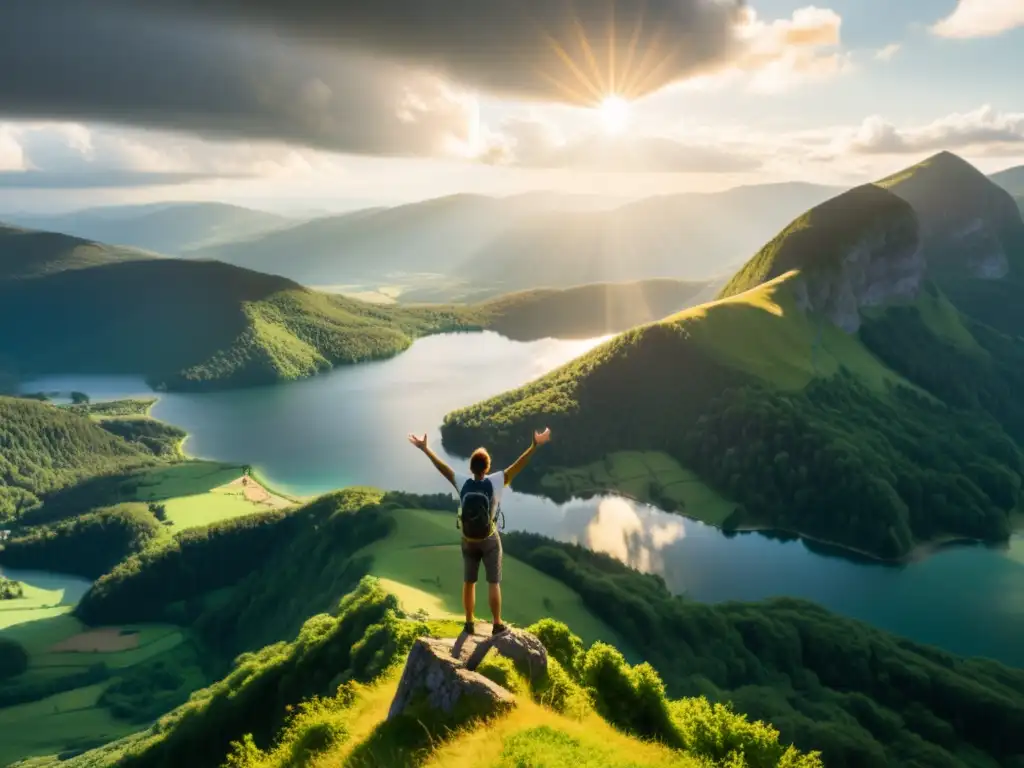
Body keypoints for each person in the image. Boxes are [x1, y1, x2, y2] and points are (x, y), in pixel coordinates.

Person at [408, 428, 552, 637]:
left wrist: (425, 448)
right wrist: (534, 446)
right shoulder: (496, 481)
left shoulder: (462, 482)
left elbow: (442, 468)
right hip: (488, 538)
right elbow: (519, 464)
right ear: (488, 466)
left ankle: (468, 623)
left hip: (468, 540)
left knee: (469, 582)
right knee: (493, 582)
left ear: (471, 467)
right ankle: (497, 623)